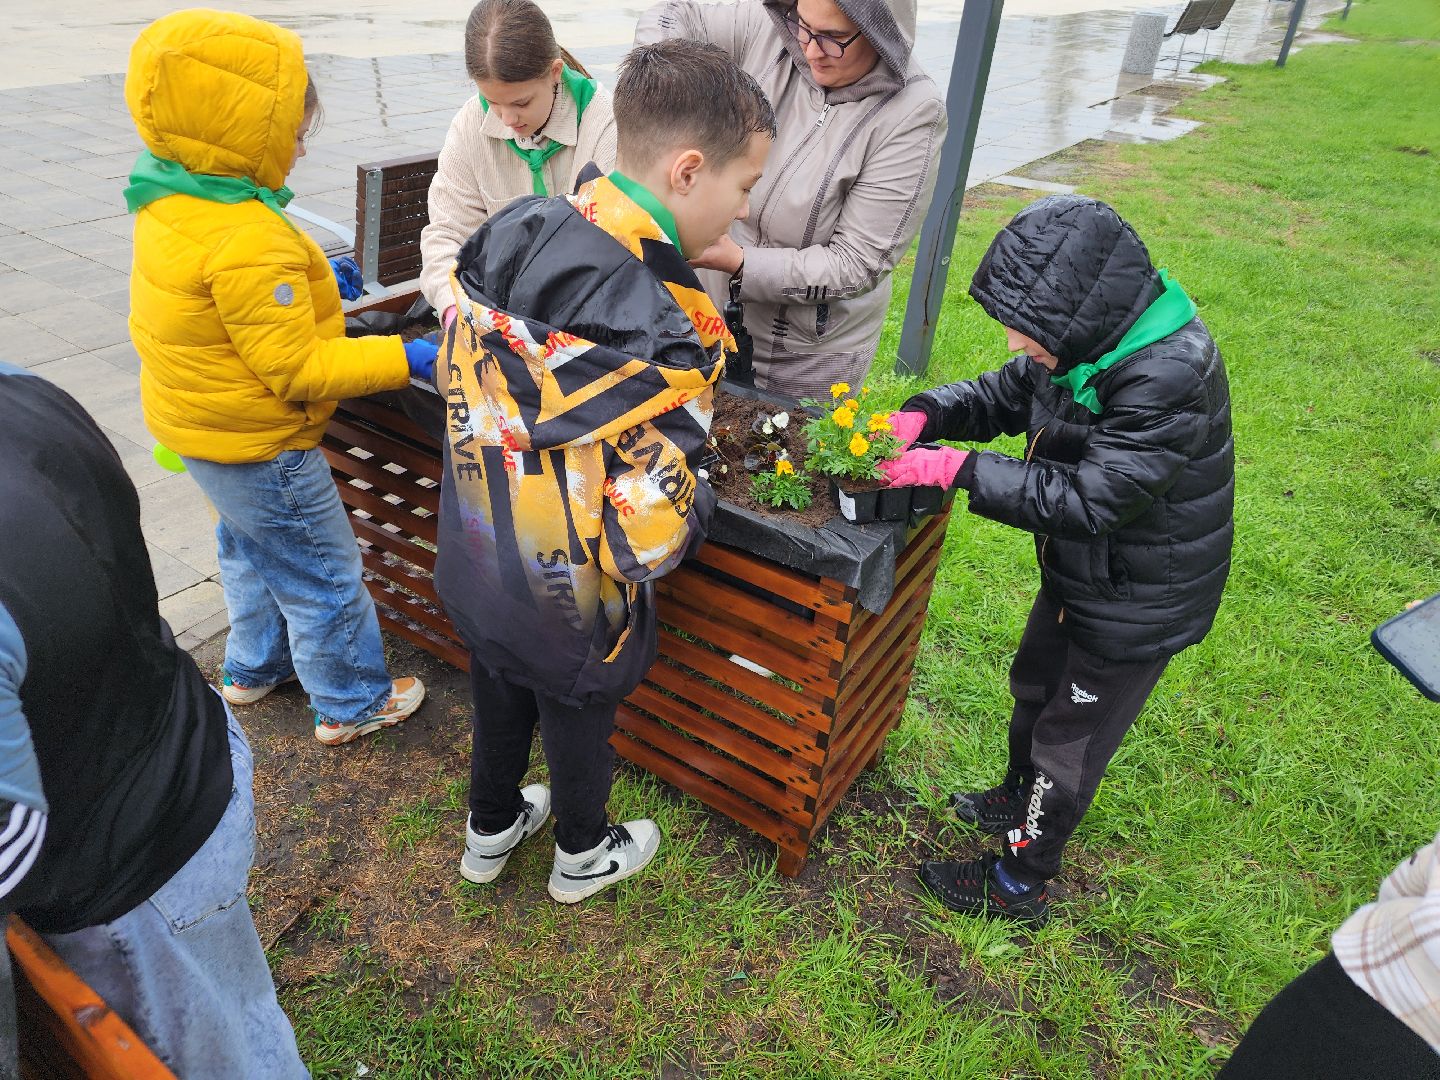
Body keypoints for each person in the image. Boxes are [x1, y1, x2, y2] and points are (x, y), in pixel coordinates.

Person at [432, 40, 774, 903]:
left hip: (481, 553)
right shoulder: (657, 332)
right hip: (573, 592)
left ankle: (490, 827)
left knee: (498, 684)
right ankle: (583, 852)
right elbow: (649, 524)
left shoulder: (523, 227)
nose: (738, 219)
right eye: (744, 190)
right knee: (578, 712)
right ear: (689, 171)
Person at [882, 195, 1234, 925]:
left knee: (1067, 743)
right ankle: (1017, 797)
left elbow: (1092, 501)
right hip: (1085, 574)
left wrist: (960, 470)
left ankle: (1021, 880)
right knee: (1034, 687)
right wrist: (932, 412)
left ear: (1078, 315)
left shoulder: (1168, 375)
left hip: (1135, 603)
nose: (1015, 344)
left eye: (1025, 331)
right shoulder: (1083, 343)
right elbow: (1008, 394)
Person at [124, 9, 437, 745]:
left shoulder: (171, 198)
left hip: (204, 433)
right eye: (292, 131)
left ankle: (253, 667)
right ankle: (353, 701)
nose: (298, 150)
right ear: (238, 130)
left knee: (247, 552)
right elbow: (297, 367)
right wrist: (409, 357)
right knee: (323, 573)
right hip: (264, 447)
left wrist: (315, 276)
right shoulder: (249, 235)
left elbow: (227, 306)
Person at [0, 362, 307, 1078]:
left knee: (223, 1045)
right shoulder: (22, 390)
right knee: (236, 1010)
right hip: (178, 758)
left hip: (131, 864)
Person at [636, 0, 945, 399]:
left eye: (833, 38)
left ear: (880, 32)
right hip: (706, 313)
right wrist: (673, 89)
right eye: (804, 25)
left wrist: (739, 262)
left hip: (808, 353)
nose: (811, 49)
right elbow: (673, 14)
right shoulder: (767, 27)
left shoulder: (914, 112)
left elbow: (858, 262)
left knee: (789, 458)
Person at [420, 0, 618, 321]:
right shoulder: (470, 125)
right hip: (495, 321)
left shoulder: (605, 123)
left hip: (587, 322)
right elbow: (446, 236)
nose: (508, 118)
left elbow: (621, 249)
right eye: (493, 102)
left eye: (521, 103)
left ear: (554, 73)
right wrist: (454, 309)